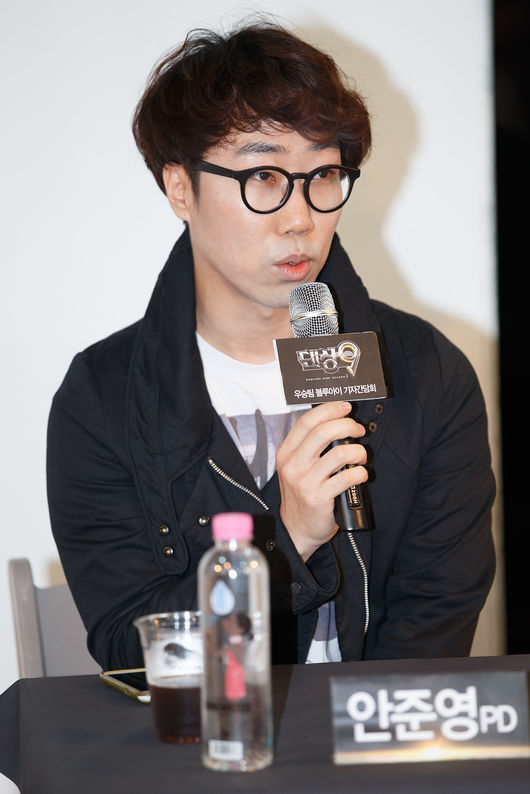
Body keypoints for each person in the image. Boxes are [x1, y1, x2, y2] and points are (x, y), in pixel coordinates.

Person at [46, 20, 496, 670]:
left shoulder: (426, 373)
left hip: (371, 733)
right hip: (204, 733)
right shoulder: (104, 397)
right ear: (180, 187)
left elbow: (436, 621)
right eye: (263, 175)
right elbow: (131, 649)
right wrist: (286, 544)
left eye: (324, 174)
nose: (300, 217)